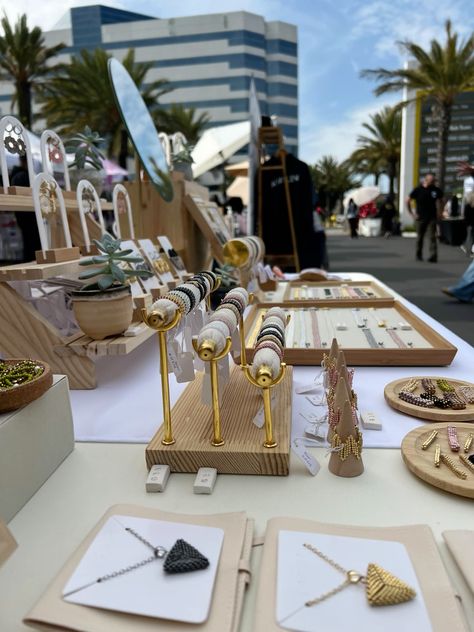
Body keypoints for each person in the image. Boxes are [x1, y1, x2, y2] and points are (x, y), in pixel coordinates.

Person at [406, 172, 443, 262]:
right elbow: (407, 201)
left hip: (432, 217)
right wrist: (412, 213)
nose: (433, 182)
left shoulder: (435, 190)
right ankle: (418, 255)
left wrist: (440, 212)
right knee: (420, 237)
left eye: (434, 180)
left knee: (432, 237)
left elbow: (442, 200)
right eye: (431, 180)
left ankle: (433, 256)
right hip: (420, 217)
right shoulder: (418, 190)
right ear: (426, 180)